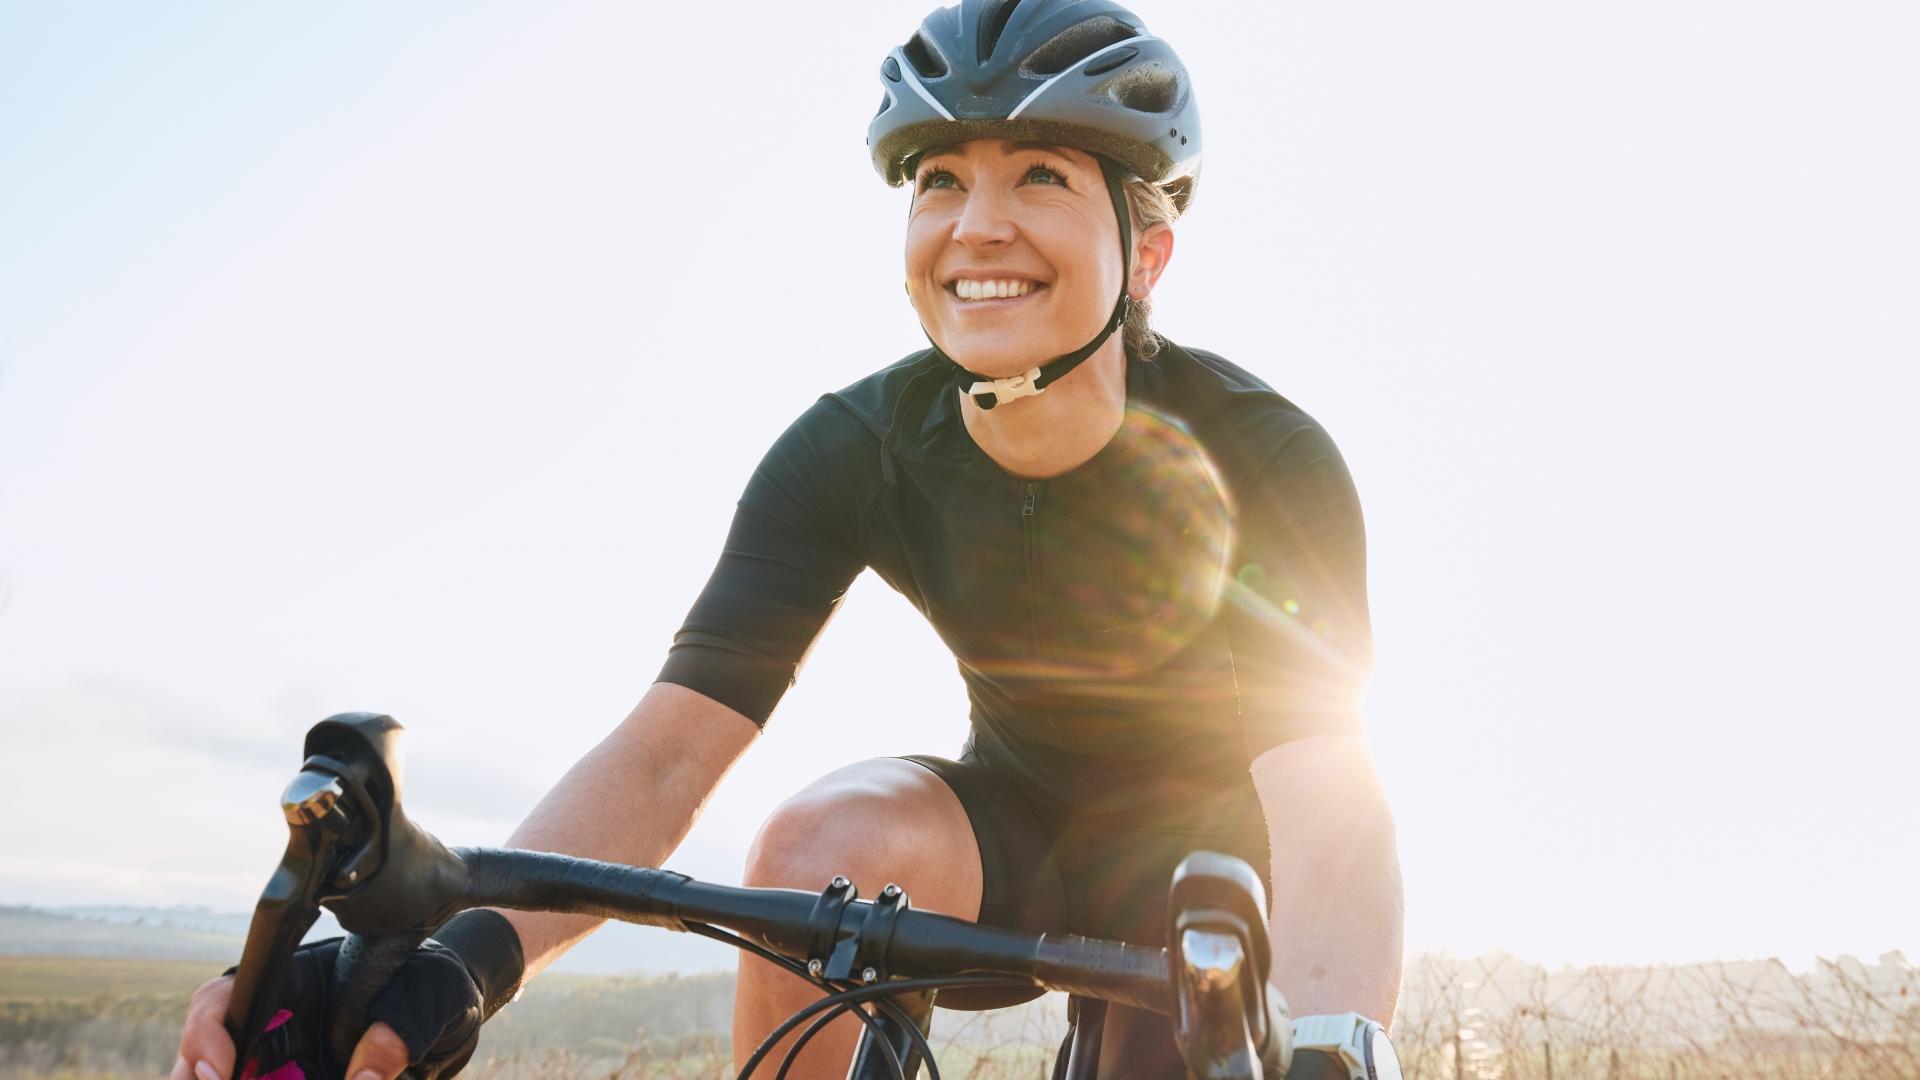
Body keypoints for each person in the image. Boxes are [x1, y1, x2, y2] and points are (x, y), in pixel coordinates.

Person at [173, 2, 1403, 1078]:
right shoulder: (853, 447)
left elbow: (1328, 805)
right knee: (817, 851)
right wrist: (460, 961)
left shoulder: (1264, 456)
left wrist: (1336, 1043)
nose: (976, 225)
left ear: (1149, 254)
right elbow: (664, 758)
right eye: (938, 178)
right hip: (1010, 835)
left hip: (1220, 870)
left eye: (1041, 175)